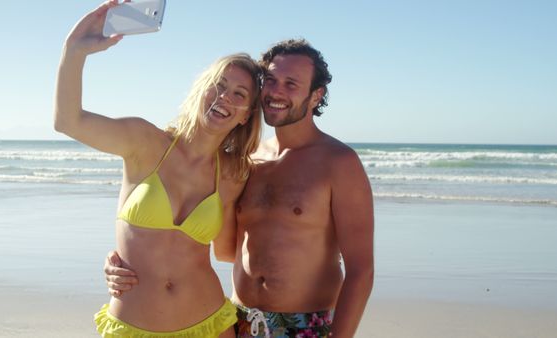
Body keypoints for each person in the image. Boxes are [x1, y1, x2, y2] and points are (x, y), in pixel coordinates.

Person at [105, 39, 374, 337]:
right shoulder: (245, 166)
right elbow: (218, 247)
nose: (276, 91)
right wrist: (130, 260)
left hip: (304, 324)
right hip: (240, 320)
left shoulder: (338, 162)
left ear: (316, 95)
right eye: (270, 80)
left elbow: (361, 270)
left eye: (291, 83)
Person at [54, 1, 263, 337]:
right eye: (219, 85)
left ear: (246, 115)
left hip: (210, 324)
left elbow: (227, 252)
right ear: (202, 87)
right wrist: (74, 50)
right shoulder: (144, 142)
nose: (224, 97)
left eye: (239, 94)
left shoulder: (233, 175)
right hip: (133, 325)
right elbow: (68, 121)